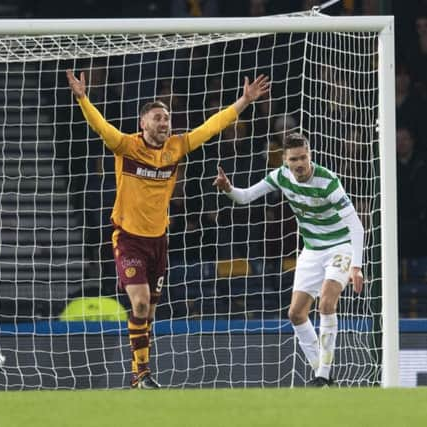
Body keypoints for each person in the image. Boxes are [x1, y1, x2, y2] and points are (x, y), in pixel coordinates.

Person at [66, 68, 270, 388]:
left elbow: (211, 127)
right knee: (141, 302)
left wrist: (244, 101)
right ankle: (142, 373)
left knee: (148, 313)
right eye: (158, 118)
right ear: (143, 123)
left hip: (159, 241)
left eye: (167, 118)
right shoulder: (126, 147)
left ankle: (139, 374)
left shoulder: (176, 147)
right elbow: (101, 127)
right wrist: (82, 99)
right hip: (129, 239)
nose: (165, 123)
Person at [213, 132, 364, 387]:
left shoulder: (328, 181)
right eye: (294, 159)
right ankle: (322, 372)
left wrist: (357, 267)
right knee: (295, 314)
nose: (299, 163)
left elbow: (356, 227)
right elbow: (246, 196)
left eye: (303, 157)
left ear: (310, 155)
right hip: (312, 251)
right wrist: (229, 189)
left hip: (340, 247)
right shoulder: (281, 176)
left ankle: (323, 375)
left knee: (326, 303)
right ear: (285, 160)